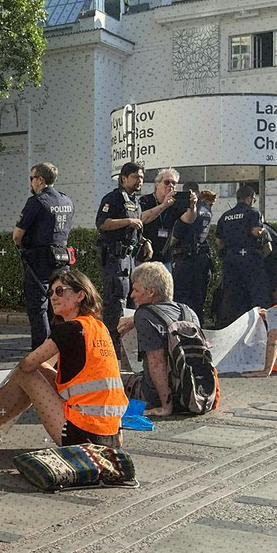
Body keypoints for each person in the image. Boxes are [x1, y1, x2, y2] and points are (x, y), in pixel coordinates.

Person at [0, 268, 128, 449]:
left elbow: (27, 364)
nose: (53, 297)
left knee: (24, 373)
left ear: (80, 295)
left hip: (80, 434)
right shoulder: (98, 328)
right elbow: (43, 365)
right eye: (51, 292)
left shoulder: (69, 329)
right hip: (110, 435)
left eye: (60, 291)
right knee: (38, 370)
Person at [117, 262, 199, 417]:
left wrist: (165, 407)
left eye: (136, 290)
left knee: (111, 380)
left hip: (157, 395)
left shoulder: (144, 315)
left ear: (151, 292)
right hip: (194, 394)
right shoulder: (189, 312)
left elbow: (157, 363)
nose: (132, 295)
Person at [95, 162, 151, 369]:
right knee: (116, 302)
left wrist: (145, 242)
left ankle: (129, 351)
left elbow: (137, 229)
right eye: (136, 177)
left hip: (131, 258)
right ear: (124, 178)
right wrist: (127, 221)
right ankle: (112, 349)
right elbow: (102, 223)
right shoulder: (113, 198)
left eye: (142, 177)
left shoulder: (136, 201)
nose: (140, 181)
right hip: (114, 258)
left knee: (133, 300)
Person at [14, 162, 74, 350]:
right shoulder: (67, 201)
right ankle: (63, 348)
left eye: (32, 178)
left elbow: (17, 235)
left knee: (39, 307)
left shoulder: (37, 201)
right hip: (62, 259)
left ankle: (41, 353)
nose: (31, 183)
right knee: (60, 305)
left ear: (40, 180)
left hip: (38, 261)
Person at [213, 184, 271, 327]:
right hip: (251, 258)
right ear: (249, 198)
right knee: (258, 293)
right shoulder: (253, 213)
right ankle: (260, 326)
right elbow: (256, 231)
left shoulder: (225, 216)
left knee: (231, 295)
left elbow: (218, 240)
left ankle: (230, 326)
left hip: (231, 259)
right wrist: (264, 233)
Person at [170, 183, 213, 326]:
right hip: (202, 259)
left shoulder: (188, 211)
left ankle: (186, 329)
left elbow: (175, 237)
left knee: (182, 298)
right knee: (198, 298)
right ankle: (199, 327)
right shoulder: (207, 209)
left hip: (186, 259)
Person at [139, 168, 192, 271]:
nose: (170, 185)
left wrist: (193, 206)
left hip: (165, 258)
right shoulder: (145, 200)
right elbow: (142, 218)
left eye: (173, 183)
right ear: (157, 184)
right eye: (167, 182)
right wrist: (164, 205)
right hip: (145, 256)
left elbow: (189, 219)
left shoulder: (175, 204)